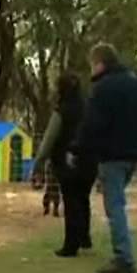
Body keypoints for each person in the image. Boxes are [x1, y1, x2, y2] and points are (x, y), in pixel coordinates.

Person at [69, 43, 137, 273]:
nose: (91, 71)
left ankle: (124, 259)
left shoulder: (103, 88)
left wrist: (76, 149)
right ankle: (123, 255)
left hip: (112, 155)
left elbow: (92, 124)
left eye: (92, 65)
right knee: (117, 202)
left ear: (100, 63)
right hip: (134, 153)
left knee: (114, 205)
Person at [32, 71, 97, 258]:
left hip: (67, 161)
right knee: (83, 198)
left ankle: (71, 245)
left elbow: (49, 139)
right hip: (89, 160)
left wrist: (39, 162)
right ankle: (84, 238)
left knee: (71, 201)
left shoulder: (62, 110)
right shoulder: (89, 108)